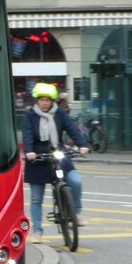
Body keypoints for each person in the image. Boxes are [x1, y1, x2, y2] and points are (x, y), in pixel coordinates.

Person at [22, 82, 89, 241]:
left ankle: (76, 213)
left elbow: (72, 128)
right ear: (37, 100)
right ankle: (37, 231)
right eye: (41, 100)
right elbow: (27, 134)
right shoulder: (30, 115)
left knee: (75, 181)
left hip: (58, 152)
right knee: (36, 198)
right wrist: (30, 151)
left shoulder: (59, 113)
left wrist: (82, 145)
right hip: (38, 157)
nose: (44, 103)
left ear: (52, 100)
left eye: (47, 100)